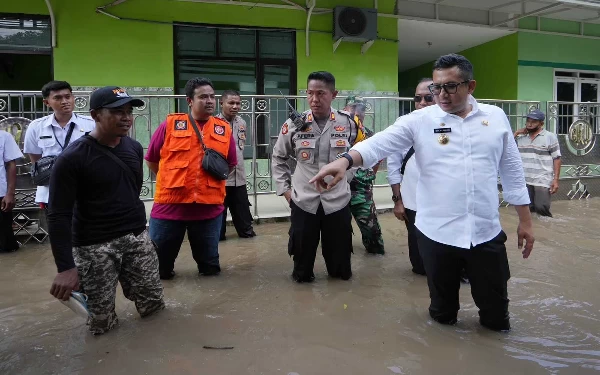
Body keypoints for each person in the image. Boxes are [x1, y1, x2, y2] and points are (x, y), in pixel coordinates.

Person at [310, 54, 535, 331]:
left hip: (485, 234)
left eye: (450, 86)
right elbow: (379, 144)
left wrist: (525, 221)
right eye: (436, 88)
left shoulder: (495, 117)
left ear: (471, 86)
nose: (442, 94)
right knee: (443, 315)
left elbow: (512, 171)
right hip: (437, 235)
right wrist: (344, 161)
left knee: (497, 316)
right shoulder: (420, 120)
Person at [47, 86, 165, 335]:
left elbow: (132, 191)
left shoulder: (133, 148)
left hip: (136, 240)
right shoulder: (72, 158)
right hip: (94, 247)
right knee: (102, 322)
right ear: (95, 115)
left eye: (128, 112)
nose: (126, 117)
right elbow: (58, 215)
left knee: (154, 307)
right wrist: (65, 268)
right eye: (117, 112)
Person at [272, 71, 364, 283]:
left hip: (338, 201)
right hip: (304, 201)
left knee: (340, 268)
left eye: (321, 93)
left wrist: (346, 178)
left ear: (334, 94)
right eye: (310, 93)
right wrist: (286, 192)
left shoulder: (349, 123)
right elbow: (278, 158)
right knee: (301, 268)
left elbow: (358, 155)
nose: (314, 99)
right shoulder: (294, 124)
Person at [146, 77, 237, 280]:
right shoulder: (170, 124)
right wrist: (171, 181)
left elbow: (230, 164)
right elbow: (152, 159)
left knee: (210, 269)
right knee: (158, 271)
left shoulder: (223, 129)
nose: (210, 101)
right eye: (203, 97)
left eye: (212, 97)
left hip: (208, 210)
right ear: (189, 101)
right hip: (169, 209)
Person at [387, 78, 435, 275]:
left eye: (428, 98)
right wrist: (398, 201)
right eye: (417, 98)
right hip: (412, 201)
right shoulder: (403, 126)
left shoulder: (454, 126)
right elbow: (393, 166)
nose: (422, 103)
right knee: (418, 255)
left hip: (442, 203)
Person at [24, 81, 95, 209]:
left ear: (73, 98)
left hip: (86, 191)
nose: (64, 101)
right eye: (57, 98)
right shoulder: (36, 127)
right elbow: (36, 161)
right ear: (47, 102)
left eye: (67, 97)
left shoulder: (91, 124)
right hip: (50, 192)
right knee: (57, 228)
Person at [344, 96, 384, 255]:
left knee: (373, 234)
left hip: (361, 191)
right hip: (338, 190)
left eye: (361, 108)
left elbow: (378, 158)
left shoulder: (369, 135)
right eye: (353, 107)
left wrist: (368, 178)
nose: (357, 112)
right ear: (345, 109)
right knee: (338, 237)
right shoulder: (337, 133)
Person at [216, 90, 256, 240]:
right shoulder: (213, 124)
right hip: (220, 180)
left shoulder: (242, 123)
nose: (235, 106)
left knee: (247, 229)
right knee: (218, 232)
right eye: (231, 103)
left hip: (239, 179)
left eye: (238, 103)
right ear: (221, 104)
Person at [514, 110, 561, 217]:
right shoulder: (521, 138)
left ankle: (548, 230)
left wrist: (555, 180)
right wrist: (516, 133)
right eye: (528, 121)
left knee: (542, 208)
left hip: (542, 179)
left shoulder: (550, 137)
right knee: (528, 209)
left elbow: (557, 158)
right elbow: (507, 149)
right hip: (525, 179)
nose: (529, 124)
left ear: (541, 124)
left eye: (533, 122)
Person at [0, 130, 24, 253]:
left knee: (5, 243)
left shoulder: (4, 136)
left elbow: (11, 164)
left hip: (0, 193)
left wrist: (10, 193)